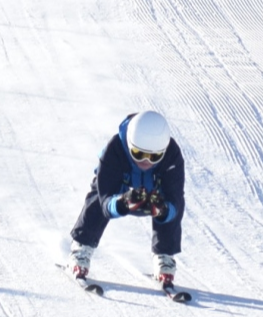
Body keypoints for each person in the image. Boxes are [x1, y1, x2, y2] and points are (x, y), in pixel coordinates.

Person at [68, 109, 184, 286]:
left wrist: (164, 211)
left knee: (173, 204)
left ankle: (164, 255)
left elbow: (175, 196)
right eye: (138, 153)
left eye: (154, 157)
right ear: (129, 144)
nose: (146, 161)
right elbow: (105, 199)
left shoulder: (172, 154)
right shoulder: (115, 149)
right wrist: (122, 203)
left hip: (154, 192)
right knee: (97, 195)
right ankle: (81, 248)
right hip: (121, 187)